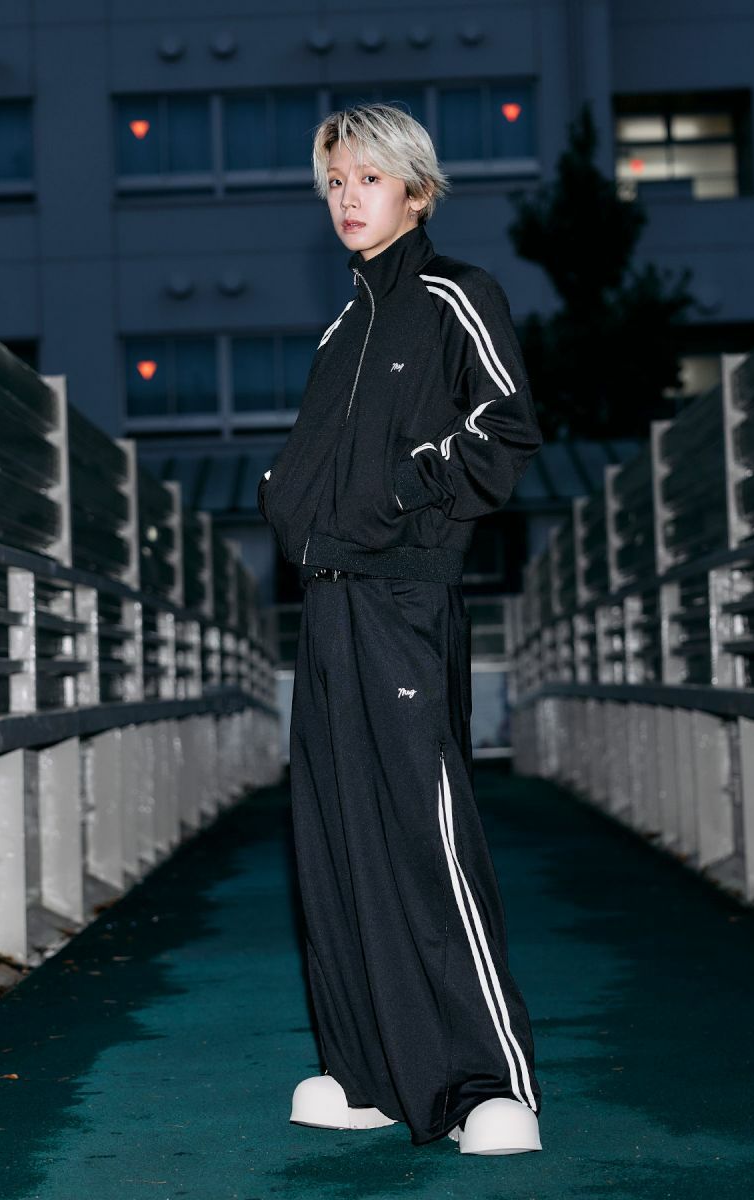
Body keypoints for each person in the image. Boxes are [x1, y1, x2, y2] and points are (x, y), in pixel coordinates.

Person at [257, 102, 544, 1155]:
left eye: (368, 179)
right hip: (328, 601)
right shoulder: (342, 327)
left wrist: (395, 492)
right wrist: (290, 500)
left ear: (416, 192)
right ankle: (369, 1075)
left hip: (405, 597)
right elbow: (311, 463)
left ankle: (487, 1086)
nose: (347, 197)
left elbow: (506, 429)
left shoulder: (455, 295)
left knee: (427, 834)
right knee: (334, 837)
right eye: (335, 181)